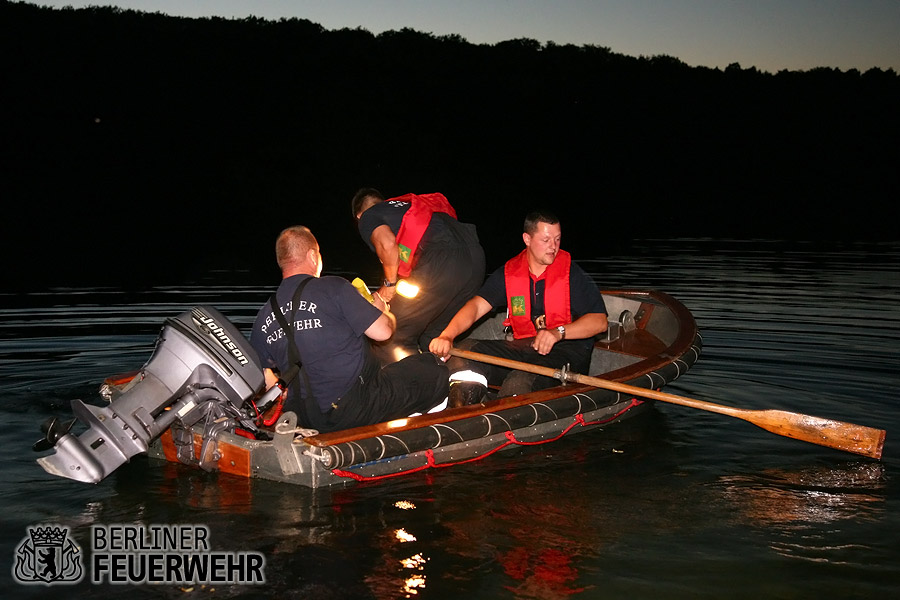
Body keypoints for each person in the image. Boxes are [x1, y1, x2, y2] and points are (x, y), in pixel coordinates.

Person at [250, 226, 449, 433]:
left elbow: (265, 377)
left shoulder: (266, 312)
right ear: (312, 256)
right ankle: (421, 427)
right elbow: (384, 333)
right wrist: (383, 310)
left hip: (301, 415)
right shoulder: (333, 287)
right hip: (354, 408)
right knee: (431, 367)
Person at [429, 210, 608, 403]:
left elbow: (600, 322)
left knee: (520, 381)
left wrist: (558, 332)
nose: (553, 247)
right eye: (546, 240)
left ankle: (507, 415)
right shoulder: (510, 272)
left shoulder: (572, 274)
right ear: (527, 239)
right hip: (526, 346)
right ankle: (465, 408)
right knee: (465, 352)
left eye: (557, 239)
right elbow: (476, 307)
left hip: (568, 351)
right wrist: (447, 335)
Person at [352, 188, 486, 365]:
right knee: (434, 338)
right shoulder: (406, 208)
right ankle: (446, 383)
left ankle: (410, 387)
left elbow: (387, 244)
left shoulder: (368, 216)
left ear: (359, 216)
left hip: (442, 259)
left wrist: (389, 285)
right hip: (476, 261)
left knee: (391, 333)